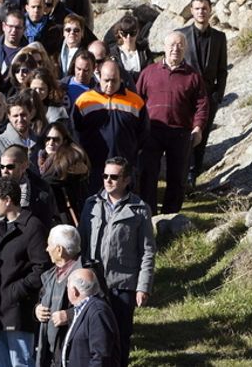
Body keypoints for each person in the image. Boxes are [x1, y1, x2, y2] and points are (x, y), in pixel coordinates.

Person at [79, 156, 155, 367]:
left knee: (120, 338)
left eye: (114, 176)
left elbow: (147, 252)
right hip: (93, 284)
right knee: (93, 338)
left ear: (127, 180)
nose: (108, 181)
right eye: (105, 176)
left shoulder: (140, 209)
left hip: (123, 285)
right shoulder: (91, 204)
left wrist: (143, 287)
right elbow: (81, 242)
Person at [136, 31, 209, 215]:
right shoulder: (149, 73)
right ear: (164, 47)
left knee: (177, 177)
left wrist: (198, 128)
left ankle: (170, 216)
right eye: (172, 45)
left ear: (185, 48)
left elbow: (202, 104)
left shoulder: (193, 76)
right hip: (152, 130)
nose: (175, 49)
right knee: (148, 174)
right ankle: (148, 214)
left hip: (181, 132)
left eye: (180, 45)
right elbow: (137, 101)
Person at [0, 176, 51, 367]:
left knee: (20, 362)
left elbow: (42, 267)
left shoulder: (32, 227)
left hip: (18, 308)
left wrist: (17, 290)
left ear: (7, 200)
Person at [72, 60, 149, 195]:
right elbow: (74, 132)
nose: (109, 85)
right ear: (99, 77)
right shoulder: (84, 101)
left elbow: (143, 133)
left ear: (121, 79)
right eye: (106, 80)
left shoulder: (136, 102)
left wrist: (132, 152)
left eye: (114, 80)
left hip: (124, 167)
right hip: (94, 166)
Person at [177, 0, 228, 186]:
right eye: (197, 9)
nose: (201, 12)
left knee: (202, 137)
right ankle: (182, 174)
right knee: (184, 136)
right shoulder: (181, 34)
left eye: (204, 8)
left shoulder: (219, 37)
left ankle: (193, 176)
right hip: (185, 96)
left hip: (209, 98)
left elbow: (222, 70)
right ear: (191, 11)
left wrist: (218, 96)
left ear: (210, 10)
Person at [35, 225, 82, 367]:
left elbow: (98, 308)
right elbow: (41, 299)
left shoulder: (84, 274)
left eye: (49, 245)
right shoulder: (50, 276)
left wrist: (69, 315)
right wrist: (37, 310)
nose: (47, 249)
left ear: (59, 249)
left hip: (72, 352)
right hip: (51, 355)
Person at [0, 91, 41, 192]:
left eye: (23, 114)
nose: (20, 119)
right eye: (15, 116)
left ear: (31, 114)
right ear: (8, 116)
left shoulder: (40, 142)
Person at [61, 268, 121, 367]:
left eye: (67, 287)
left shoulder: (98, 312)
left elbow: (101, 356)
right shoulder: (82, 309)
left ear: (74, 291)